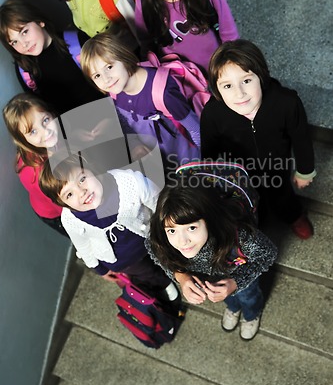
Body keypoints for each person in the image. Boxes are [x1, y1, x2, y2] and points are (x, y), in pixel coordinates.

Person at [200, 39, 316, 239]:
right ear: (216, 89)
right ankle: (255, 224)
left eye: (246, 81)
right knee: (248, 204)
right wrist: (213, 180)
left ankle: (294, 215)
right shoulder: (212, 113)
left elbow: (301, 138)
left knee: (282, 194)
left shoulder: (286, 103)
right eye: (227, 86)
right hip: (240, 173)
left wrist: (305, 171)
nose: (239, 93)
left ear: (261, 76)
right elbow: (210, 151)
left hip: (278, 164)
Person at [39, 152, 179, 303]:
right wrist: (100, 269)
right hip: (123, 260)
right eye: (69, 194)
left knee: (165, 256)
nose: (81, 192)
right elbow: (83, 245)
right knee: (147, 273)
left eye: (82, 179)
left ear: (92, 169)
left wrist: (170, 230)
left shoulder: (130, 182)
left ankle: (176, 271)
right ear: (63, 204)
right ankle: (164, 283)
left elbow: (159, 206)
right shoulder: (70, 219)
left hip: (151, 238)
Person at [148, 178, 277, 340]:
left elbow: (268, 253)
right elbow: (154, 250)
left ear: (210, 219)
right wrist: (181, 276)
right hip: (213, 282)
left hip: (240, 272)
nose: (182, 242)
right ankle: (233, 308)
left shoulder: (239, 235)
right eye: (172, 231)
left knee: (248, 297)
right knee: (228, 298)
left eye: (192, 228)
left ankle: (252, 315)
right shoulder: (161, 237)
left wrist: (237, 281)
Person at [80, 32, 201, 180]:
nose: (106, 79)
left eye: (109, 67)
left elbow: (195, 129)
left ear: (123, 57)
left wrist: (205, 164)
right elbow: (126, 123)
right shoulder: (114, 92)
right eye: (97, 76)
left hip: (189, 163)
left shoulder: (163, 93)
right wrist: (135, 144)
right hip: (162, 165)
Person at [0, 0, 104, 114]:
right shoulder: (24, 70)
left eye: (24, 32)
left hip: (106, 112)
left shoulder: (77, 43)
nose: (23, 44)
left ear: (40, 21)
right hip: (68, 127)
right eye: (14, 42)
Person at [2, 93, 68, 236]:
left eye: (45, 120)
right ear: (22, 140)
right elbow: (65, 208)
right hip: (58, 213)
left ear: (51, 114)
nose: (46, 132)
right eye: (33, 131)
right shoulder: (34, 174)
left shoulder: (56, 137)